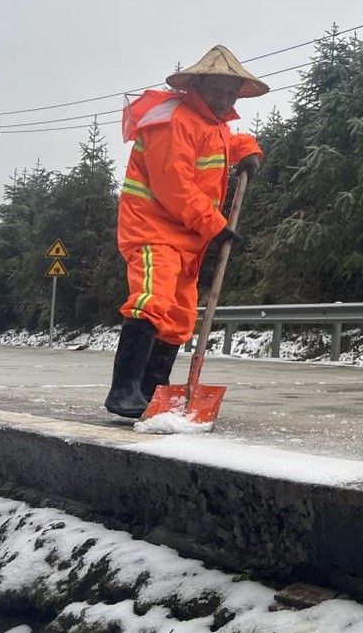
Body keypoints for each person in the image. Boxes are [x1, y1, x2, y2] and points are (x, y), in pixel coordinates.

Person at [104, 45, 268, 418]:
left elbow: (225, 142)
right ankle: (123, 392)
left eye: (231, 93)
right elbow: (172, 186)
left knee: (178, 317)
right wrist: (216, 226)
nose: (225, 100)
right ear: (197, 85)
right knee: (152, 301)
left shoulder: (213, 123)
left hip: (187, 238)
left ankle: (149, 392)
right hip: (152, 229)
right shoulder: (174, 121)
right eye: (218, 91)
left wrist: (249, 149)